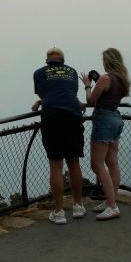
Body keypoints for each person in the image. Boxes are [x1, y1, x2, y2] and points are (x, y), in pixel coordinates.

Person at [31, 47, 87, 224]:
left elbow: (45, 93)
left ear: (47, 60)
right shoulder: (71, 72)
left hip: (52, 117)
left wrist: (41, 101)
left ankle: (59, 211)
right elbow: (68, 93)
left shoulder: (39, 73)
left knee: (56, 165)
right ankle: (78, 206)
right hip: (73, 115)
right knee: (74, 162)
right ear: (63, 60)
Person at [83, 48, 131, 221]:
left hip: (104, 120)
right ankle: (111, 200)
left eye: (104, 60)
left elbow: (91, 101)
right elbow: (109, 97)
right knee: (112, 162)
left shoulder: (105, 78)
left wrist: (88, 84)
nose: (102, 63)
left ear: (109, 61)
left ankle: (112, 206)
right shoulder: (121, 79)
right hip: (116, 119)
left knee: (96, 164)